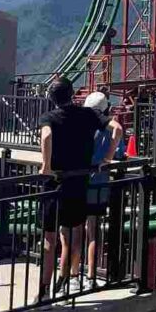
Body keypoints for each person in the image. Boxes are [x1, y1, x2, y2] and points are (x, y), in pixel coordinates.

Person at [37, 78, 118, 297]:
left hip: (54, 182)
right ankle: (69, 280)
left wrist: (46, 165)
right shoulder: (88, 115)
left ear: (51, 98)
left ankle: (44, 289)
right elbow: (117, 129)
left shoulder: (49, 117)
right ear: (72, 93)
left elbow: (46, 135)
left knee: (49, 238)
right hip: (79, 180)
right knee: (74, 234)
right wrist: (108, 158)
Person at [81, 92, 123, 284]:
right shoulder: (108, 129)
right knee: (93, 230)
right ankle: (91, 273)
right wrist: (107, 158)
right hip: (99, 184)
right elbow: (120, 152)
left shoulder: (82, 127)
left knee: (73, 229)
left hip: (79, 182)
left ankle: (72, 273)